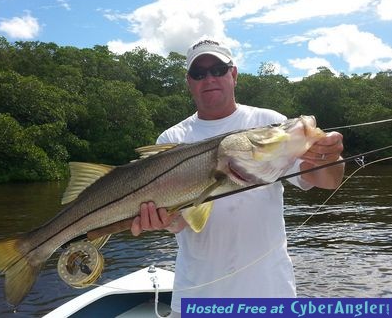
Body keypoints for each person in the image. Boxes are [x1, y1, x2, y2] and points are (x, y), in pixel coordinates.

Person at [130, 40, 345, 317]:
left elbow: (328, 180)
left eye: (218, 69)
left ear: (233, 75)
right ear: (189, 82)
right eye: (199, 73)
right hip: (198, 293)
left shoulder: (269, 123)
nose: (209, 78)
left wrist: (327, 155)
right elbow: (181, 221)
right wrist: (164, 220)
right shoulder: (173, 139)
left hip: (269, 292)